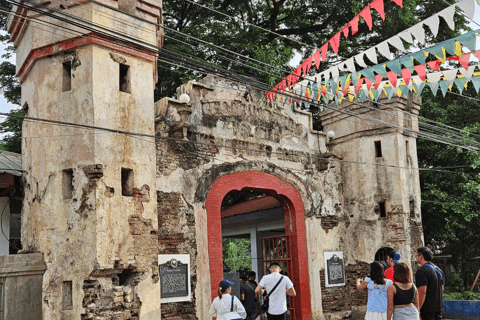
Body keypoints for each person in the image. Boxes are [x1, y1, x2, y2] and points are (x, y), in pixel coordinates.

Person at [415, 247, 444, 320]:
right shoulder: (438, 270)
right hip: (438, 307)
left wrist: (418, 308)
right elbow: (442, 288)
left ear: (421, 257)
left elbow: (422, 292)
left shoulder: (422, 271)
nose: (415, 257)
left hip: (427, 309)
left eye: (416, 255)